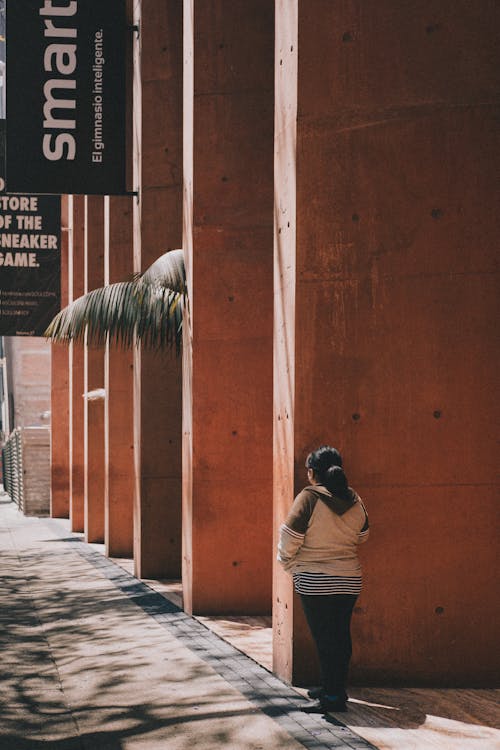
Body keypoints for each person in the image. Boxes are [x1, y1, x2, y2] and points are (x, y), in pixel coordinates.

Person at [277, 445, 369, 713]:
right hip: (349, 579)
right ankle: (332, 687)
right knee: (340, 637)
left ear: (312, 472)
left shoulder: (308, 497)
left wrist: (289, 564)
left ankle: (332, 698)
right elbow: (363, 535)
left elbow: (289, 537)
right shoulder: (354, 498)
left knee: (325, 639)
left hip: (314, 579)